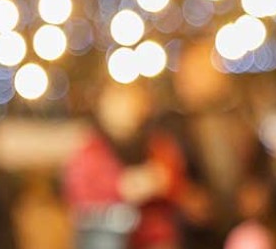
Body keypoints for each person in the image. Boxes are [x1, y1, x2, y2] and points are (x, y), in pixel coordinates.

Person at [64, 81, 186, 249]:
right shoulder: (90, 150)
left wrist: (160, 182)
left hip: (154, 238)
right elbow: (79, 193)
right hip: (107, 237)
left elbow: (176, 185)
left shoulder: (157, 145)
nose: (126, 109)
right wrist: (120, 188)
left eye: (131, 100)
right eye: (118, 101)